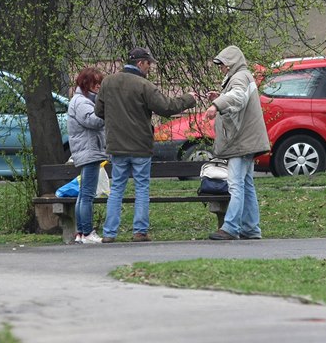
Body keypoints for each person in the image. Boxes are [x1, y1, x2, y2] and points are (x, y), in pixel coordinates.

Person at [95, 47, 197, 243]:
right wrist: (189, 98)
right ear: (140, 63)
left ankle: (109, 233)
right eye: (149, 63)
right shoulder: (144, 85)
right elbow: (167, 108)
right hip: (140, 145)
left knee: (117, 188)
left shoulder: (108, 82)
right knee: (142, 187)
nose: (150, 67)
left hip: (116, 145)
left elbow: (99, 111)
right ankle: (139, 231)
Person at [204, 45, 271, 240]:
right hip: (248, 140)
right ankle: (251, 228)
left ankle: (231, 227)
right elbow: (237, 101)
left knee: (235, 184)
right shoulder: (243, 76)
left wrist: (216, 104)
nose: (221, 69)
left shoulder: (239, 77)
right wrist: (220, 98)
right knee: (246, 184)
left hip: (241, 141)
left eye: (223, 65)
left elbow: (238, 98)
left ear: (231, 63)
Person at [67, 67, 107, 244]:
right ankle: (88, 232)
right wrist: (108, 113)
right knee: (88, 195)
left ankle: (80, 233)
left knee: (83, 194)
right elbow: (92, 121)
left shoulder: (83, 100)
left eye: (100, 83)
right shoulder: (82, 102)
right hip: (89, 151)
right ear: (85, 84)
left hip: (87, 150)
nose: (98, 86)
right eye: (95, 83)